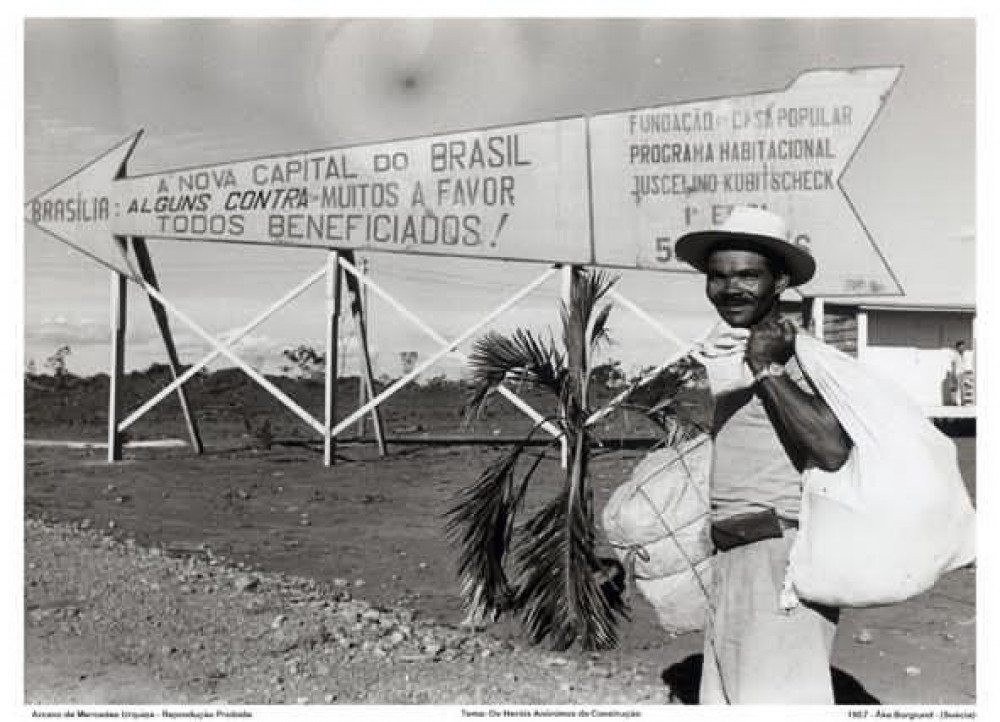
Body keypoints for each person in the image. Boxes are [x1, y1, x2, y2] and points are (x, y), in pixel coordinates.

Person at [674, 206, 853, 704]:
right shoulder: (735, 354)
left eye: (749, 275)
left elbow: (832, 449)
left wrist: (765, 367)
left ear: (780, 281)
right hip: (736, 557)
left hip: (779, 559)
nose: (731, 288)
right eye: (719, 276)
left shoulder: (798, 355)